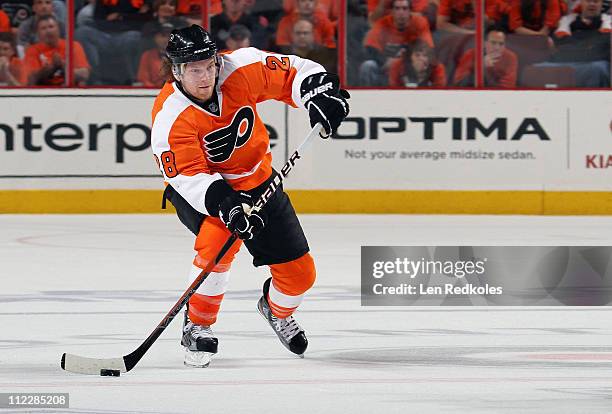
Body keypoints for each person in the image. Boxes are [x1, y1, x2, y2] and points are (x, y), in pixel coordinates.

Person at [150, 25, 350, 368]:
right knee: (217, 245)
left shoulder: (239, 68)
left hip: (259, 181)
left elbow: (294, 72)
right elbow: (188, 176)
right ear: (177, 71)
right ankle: (197, 325)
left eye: (209, 65)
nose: (205, 76)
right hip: (207, 193)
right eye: (194, 70)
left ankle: (275, 310)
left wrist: (320, 94)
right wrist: (227, 205)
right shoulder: (170, 116)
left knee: (301, 276)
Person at [359, 0, 433, 85]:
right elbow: (370, 48)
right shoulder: (382, 23)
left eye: (404, 9)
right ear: (392, 11)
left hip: (409, 69)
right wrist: (385, 62)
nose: (401, 13)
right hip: (386, 68)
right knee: (368, 65)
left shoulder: (420, 23)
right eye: (397, 9)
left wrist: (401, 62)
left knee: (425, 67)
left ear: (410, 11)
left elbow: (428, 49)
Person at [24, 14, 90, 85]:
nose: (48, 31)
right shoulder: (32, 50)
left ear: (58, 29)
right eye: (43, 28)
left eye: (51, 27)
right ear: (38, 33)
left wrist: (63, 66)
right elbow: (31, 79)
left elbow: (84, 75)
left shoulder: (73, 46)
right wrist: (52, 67)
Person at [453, 27, 518, 87]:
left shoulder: (511, 57)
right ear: (484, 43)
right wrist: (480, 67)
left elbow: (507, 88)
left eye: (501, 44)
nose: (497, 47)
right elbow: (459, 83)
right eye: (493, 43)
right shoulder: (471, 54)